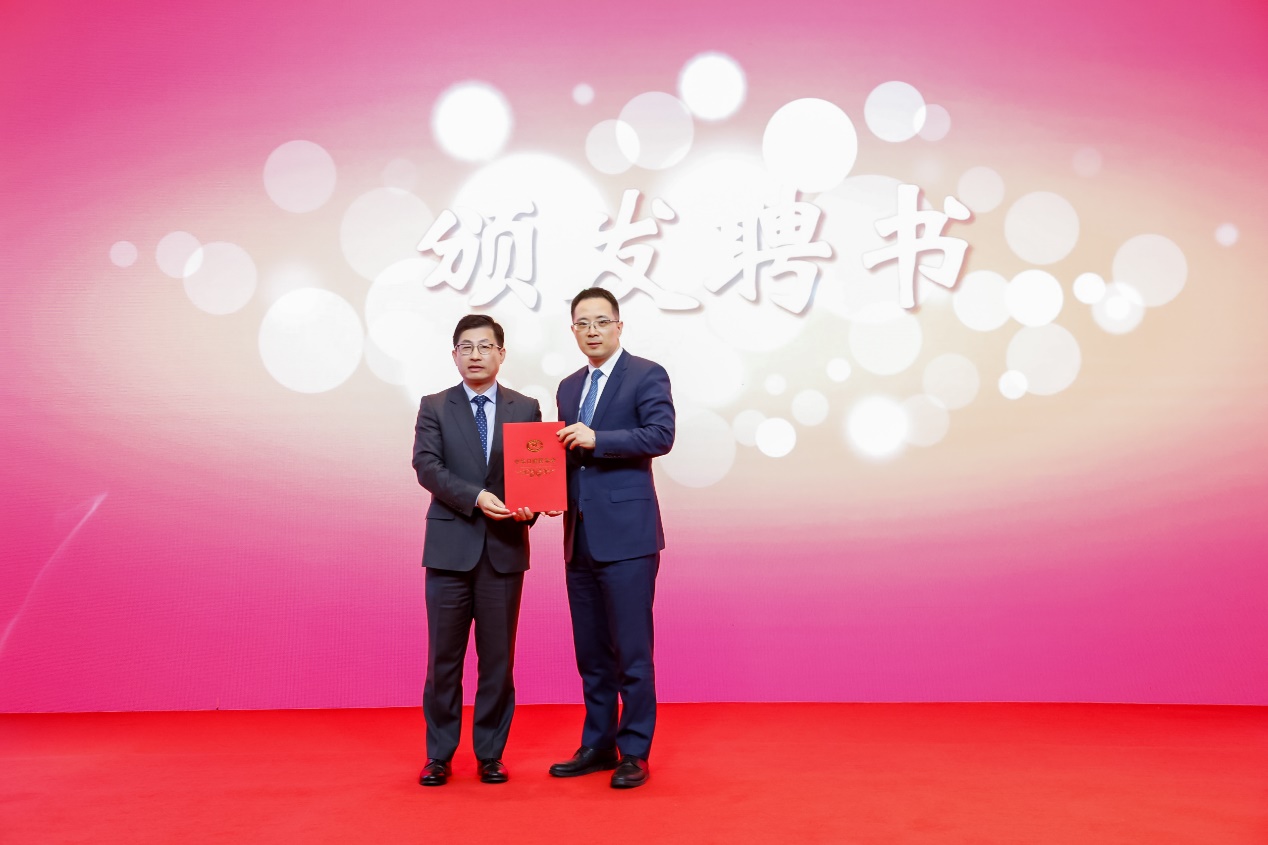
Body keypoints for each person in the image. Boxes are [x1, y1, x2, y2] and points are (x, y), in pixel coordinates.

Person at [550, 287, 675, 789]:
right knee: (592, 652)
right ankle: (598, 744)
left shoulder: (647, 374)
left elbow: (661, 435)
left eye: (602, 321)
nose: (593, 331)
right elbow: (565, 458)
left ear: (619, 326)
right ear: (573, 331)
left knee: (632, 651)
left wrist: (599, 438)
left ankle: (635, 750)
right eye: (583, 323)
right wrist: (544, 494)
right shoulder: (567, 387)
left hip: (628, 538)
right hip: (578, 535)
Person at [412, 314, 540, 787]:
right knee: (443, 660)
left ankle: (490, 753)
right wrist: (475, 497)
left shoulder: (526, 408)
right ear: (454, 355)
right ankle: (439, 755)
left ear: (501, 354)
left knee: (497, 661)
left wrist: (532, 507)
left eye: (485, 347)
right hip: (449, 549)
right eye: (466, 347)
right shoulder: (434, 406)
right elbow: (426, 466)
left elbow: (534, 472)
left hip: (503, 550)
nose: (476, 355)